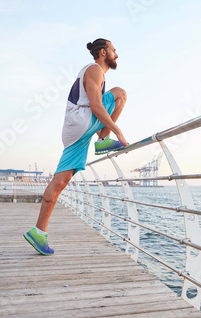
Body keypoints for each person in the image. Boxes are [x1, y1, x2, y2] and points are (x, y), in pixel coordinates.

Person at [24, 38, 129, 255]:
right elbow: (96, 106)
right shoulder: (94, 70)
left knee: (60, 180)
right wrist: (117, 131)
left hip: (75, 129)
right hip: (81, 121)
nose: (116, 54)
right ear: (103, 52)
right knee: (120, 93)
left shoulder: (93, 72)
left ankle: (38, 231)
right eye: (113, 50)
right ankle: (102, 140)